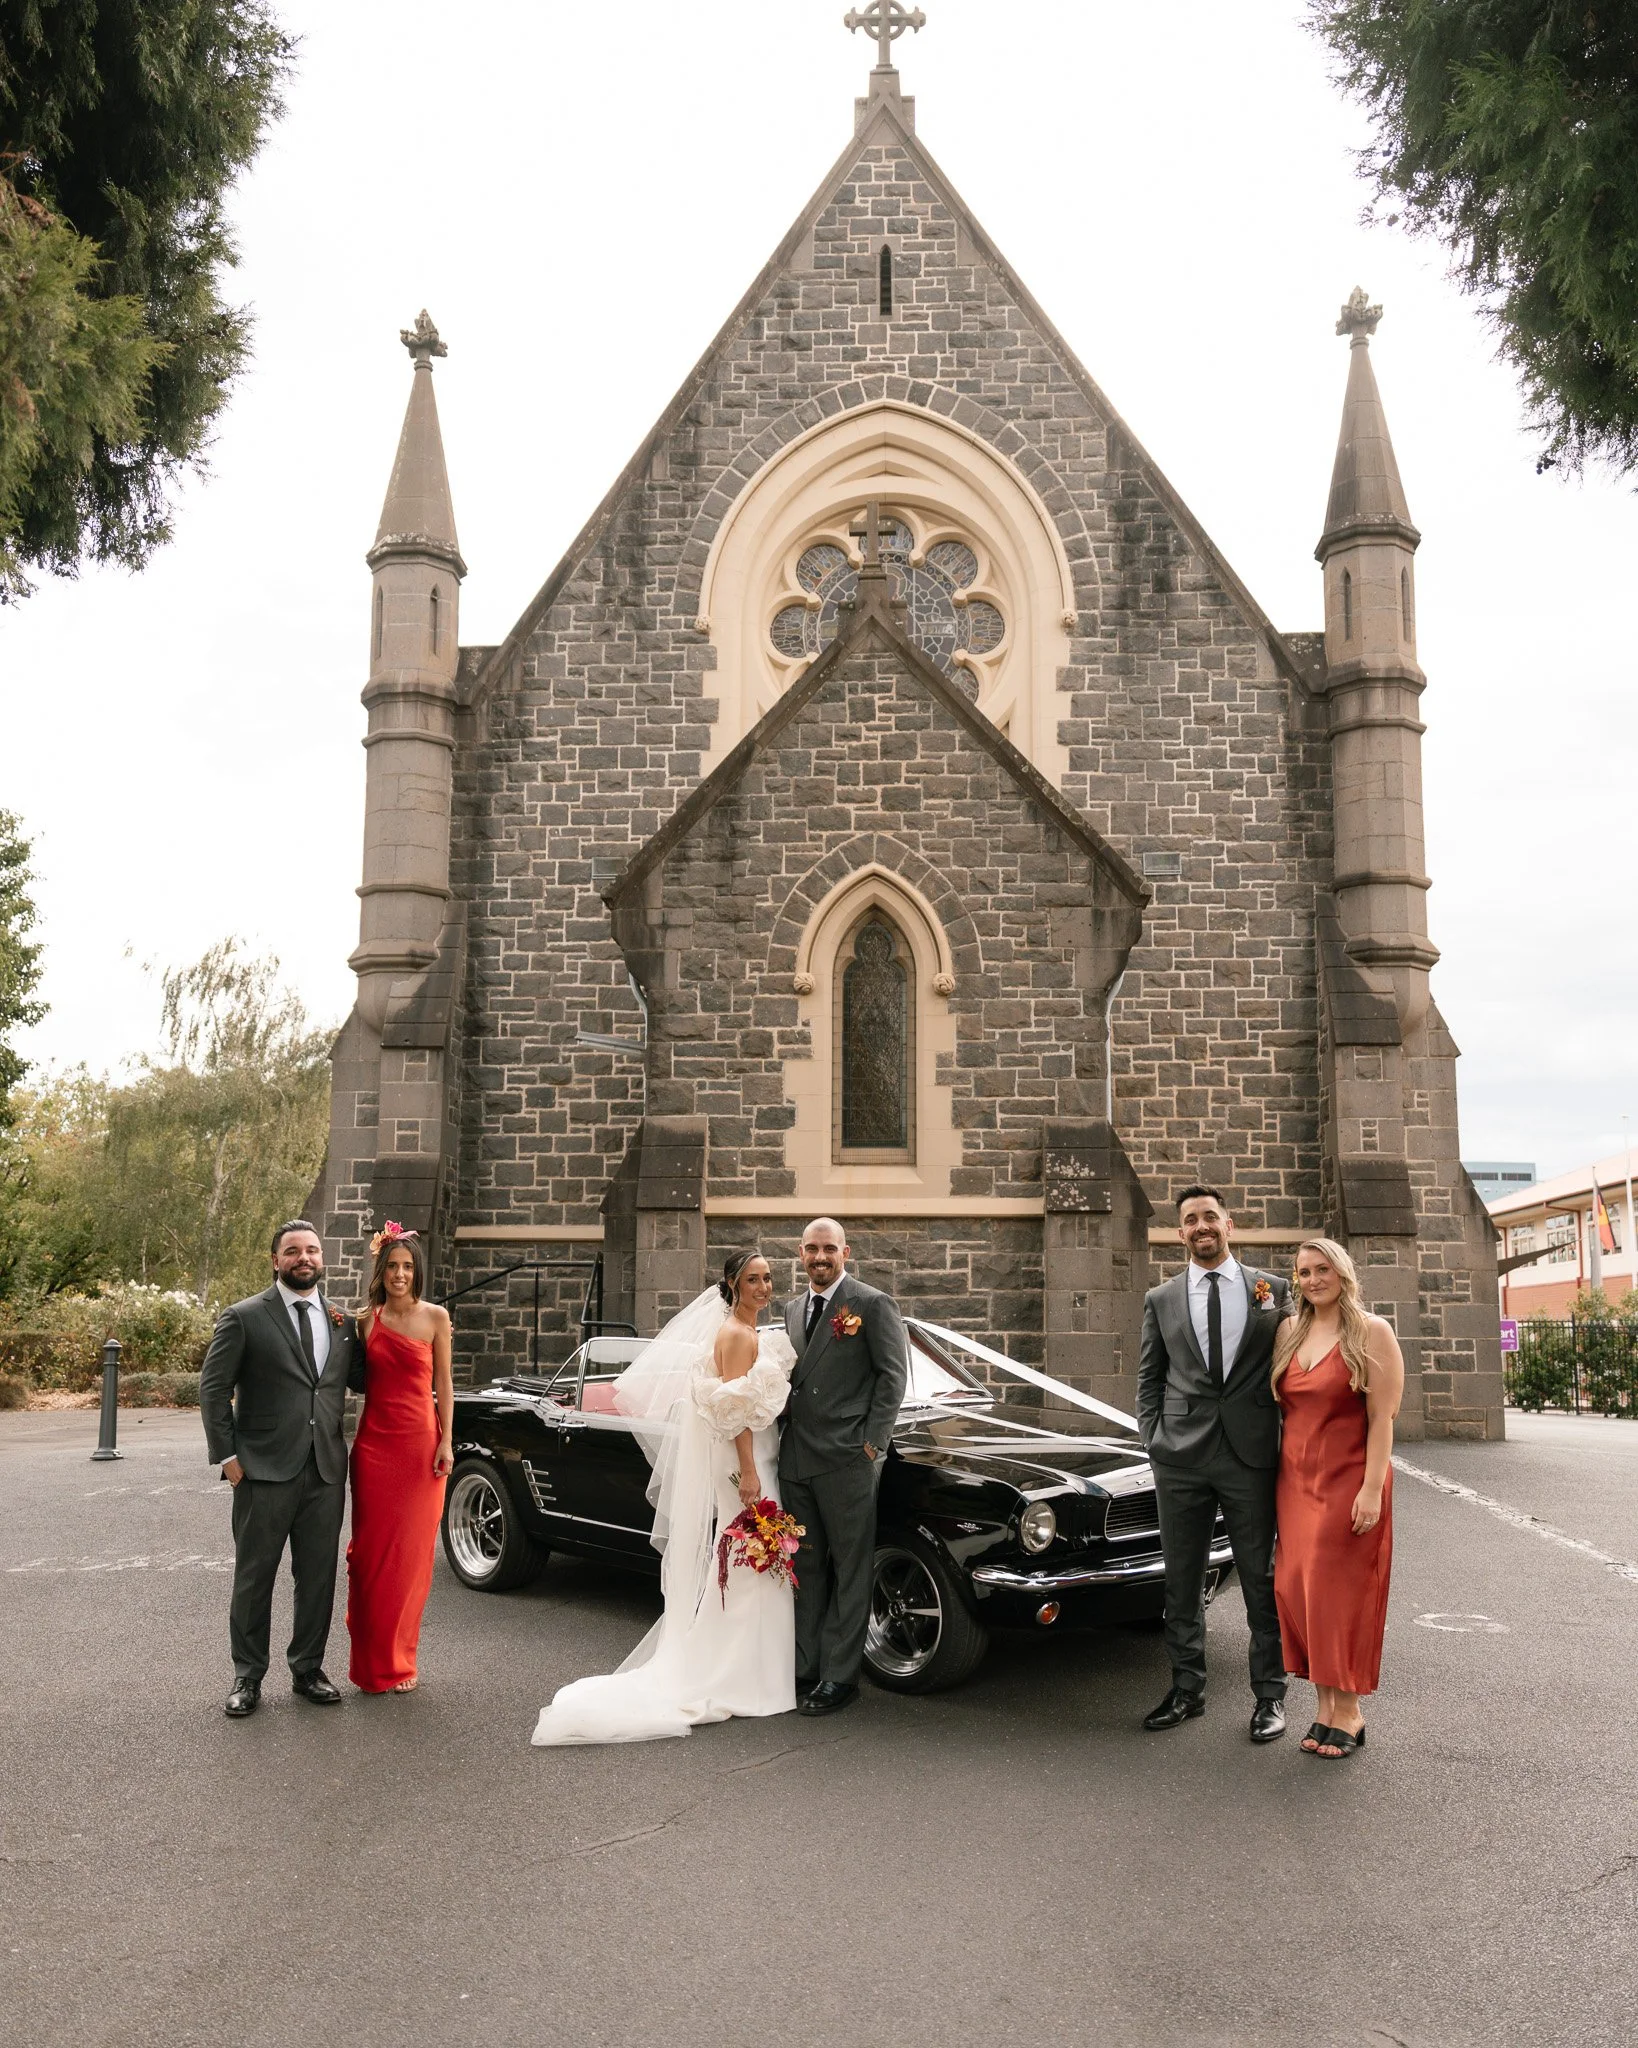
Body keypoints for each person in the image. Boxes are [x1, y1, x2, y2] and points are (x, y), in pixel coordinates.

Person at [531, 1248, 797, 1745]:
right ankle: (745, 1678)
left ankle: (749, 1669)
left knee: (744, 1556)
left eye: (768, 1279)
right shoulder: (737, 1336)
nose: (764, 1288)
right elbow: (736, 1410)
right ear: (734, 1285)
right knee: (748, 1557)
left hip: (755, 1457)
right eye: (754, 1280)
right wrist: (748, 1472)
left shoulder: (745, 1331)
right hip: (749, 1463)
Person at [1135, 1186, 1293, 1743]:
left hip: (1250, 1455)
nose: (1201, 1226)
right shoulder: (1161, 1298)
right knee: (1181, 1578)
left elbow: (1293, 1362)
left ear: (1229, 1224)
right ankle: (1186, 1689)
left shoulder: (1273, 1290)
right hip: (1178, 1456)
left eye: (1210, 1217)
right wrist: (1152, 1437)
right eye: (1190, 1220)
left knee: (1260, 1577)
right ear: (1180, 1233)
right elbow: (1149, 1378)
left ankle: (1269, 1696)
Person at [199, 1221, 365, 1718]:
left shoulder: (343, 1322)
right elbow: (213, 1389)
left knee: (317, 1576)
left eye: (312, 1250)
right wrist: (228, 1459)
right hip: (261, 1470)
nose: (304, 1258)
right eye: (292, 1251)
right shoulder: (245, 1317)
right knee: (255, 1577)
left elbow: (362, 1380)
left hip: (326, 1470)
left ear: (322, 1258)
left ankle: (308, 1669)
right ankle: (247, 1677)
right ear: (276, 1261)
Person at [1272, 1236, 1404, 1759]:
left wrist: (1372, 1487)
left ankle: (1349, 1711)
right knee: (1298, 1590)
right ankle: (1325, 1707)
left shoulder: (1372, 1331)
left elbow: (1382, 1417)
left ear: (1342, 1273)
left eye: (1322, 1269)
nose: (1312, 1280)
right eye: (1303, 1272)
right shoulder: (1289, 1330)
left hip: (1348, 1481)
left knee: (1338, 1594)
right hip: (1294, 1485)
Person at [779, 1217, 909, 1718]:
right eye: (812, 1249)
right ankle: (805, 1668)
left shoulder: (872, 1304)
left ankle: (839, 1678)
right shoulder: (792, 1308)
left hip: (847, 1460)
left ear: (845, 1253)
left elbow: (892, 1379)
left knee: (851, 1570)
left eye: (828, 1249)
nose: (820, 1257)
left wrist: (872, 1447)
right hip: (796, 1460)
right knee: (804, 1568)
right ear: (800, 1252)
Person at [346, 1223, 454, 1694]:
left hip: (420, 1450)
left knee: (410, 1560)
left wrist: (447, 1441)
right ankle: (371, 1663)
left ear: (418, 1272)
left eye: (408, 1267)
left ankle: (401, 1660)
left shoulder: (436, 1318)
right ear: (381, 1270)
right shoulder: (364, 1321)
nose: (400, 1274)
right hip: (373, 1450)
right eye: (392, 1266)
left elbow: (445, 1385)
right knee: (371, 1558)